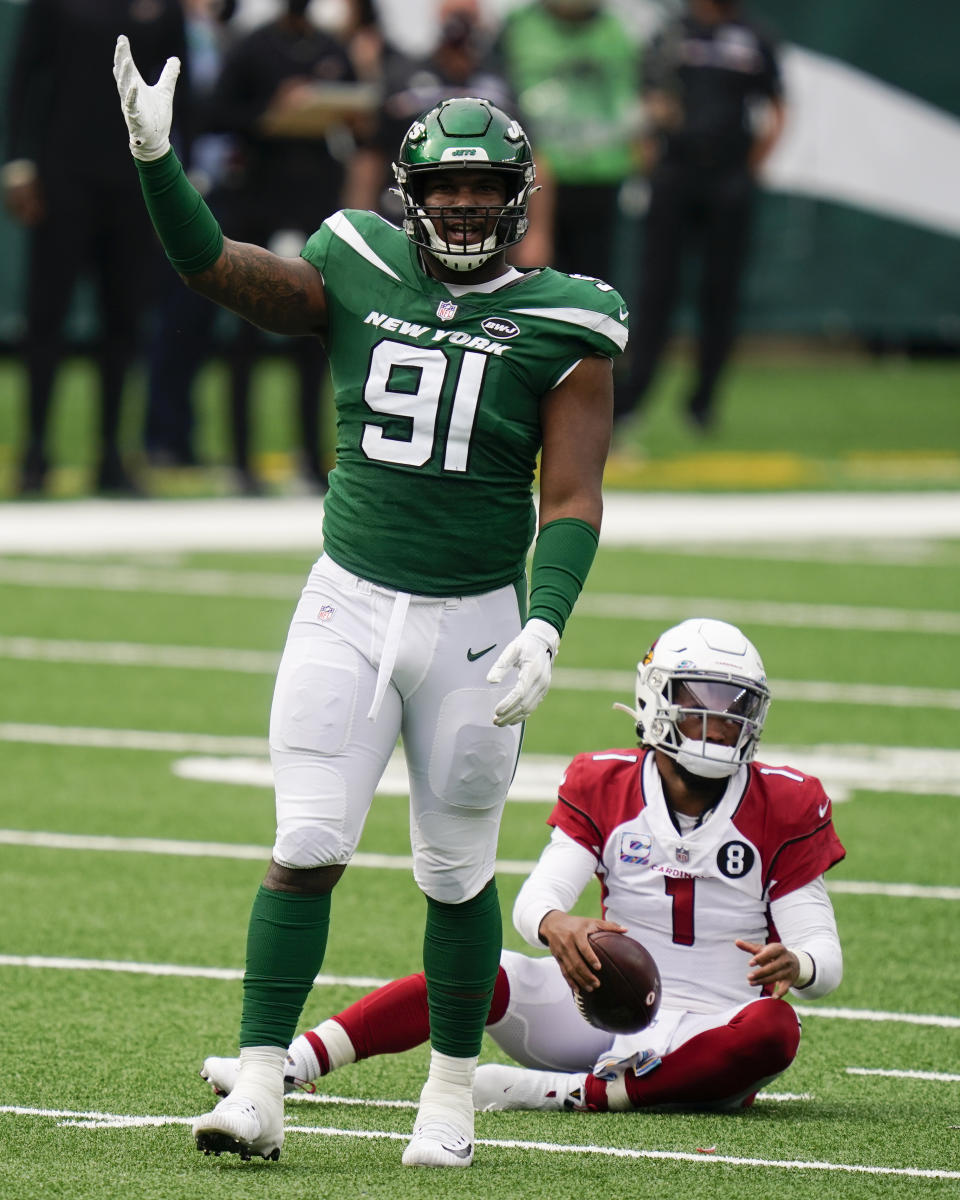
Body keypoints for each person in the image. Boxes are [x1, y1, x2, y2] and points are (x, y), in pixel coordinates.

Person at [114, 38, 627, 1168]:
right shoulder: (353, 260)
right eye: (441, 188)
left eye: (480, 191)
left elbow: (576, 491)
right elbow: (220, 268)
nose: (458, 208)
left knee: (453, 871)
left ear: (515, 200)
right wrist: (158, 161)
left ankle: (447, 1094)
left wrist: (548, 620)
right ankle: (258, 1084)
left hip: (477, 619)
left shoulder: (569, 319)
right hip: (350, 599)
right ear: (409, 194)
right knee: (304, 838)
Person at [200, 617, 844, 1114]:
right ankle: (292, 1064)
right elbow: (536, 899)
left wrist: (801, 964)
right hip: (601, 1009)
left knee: (774, 1028)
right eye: (703, 698)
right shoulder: (605, 781)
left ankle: (578, 1095)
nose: (720, 721)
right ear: (659, 699)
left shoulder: (784, 800)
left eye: (736, 706)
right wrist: (555, 925)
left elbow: (823, 957)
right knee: (482, 971)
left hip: (714, 1027)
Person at [3, 0, 187, 495]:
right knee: (47, 319)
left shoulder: (162, 9)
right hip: (62, 174)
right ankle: (35, 454)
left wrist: (173, 177)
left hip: (133, 178)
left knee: (124, 320)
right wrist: (19, 160)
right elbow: (25, 72)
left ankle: (111, 456)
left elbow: (178, 89)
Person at [613, 0, 786, 433]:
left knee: (720, 293)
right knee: (657, 292)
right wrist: (653, 132)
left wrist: (752, 165)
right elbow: (645, 95)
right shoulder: (673, 34)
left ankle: (703, 402)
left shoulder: (754, 36)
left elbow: (778, 105)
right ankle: (633, 398)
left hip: (728, 178)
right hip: (676, 174)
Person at [495, 0, 642, 275]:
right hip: (533, 179)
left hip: (602, 177)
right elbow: (495, 94)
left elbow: (638, 96)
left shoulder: (619, 30)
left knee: (593, 283)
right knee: (531, 283)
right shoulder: (517, 27)